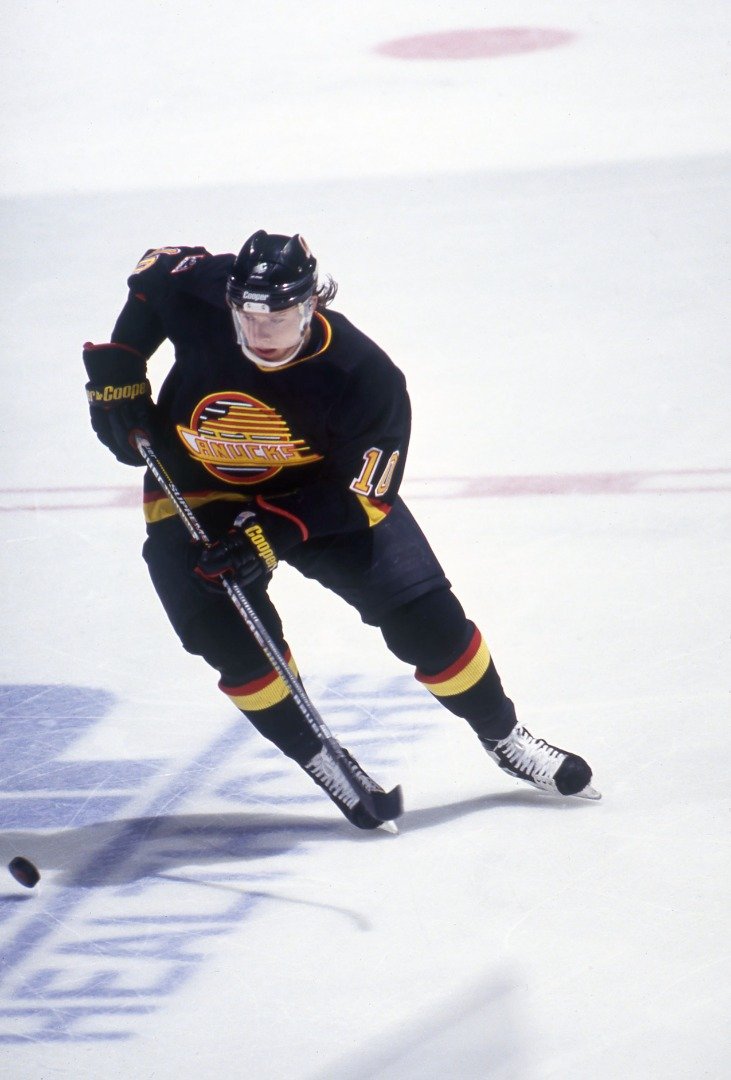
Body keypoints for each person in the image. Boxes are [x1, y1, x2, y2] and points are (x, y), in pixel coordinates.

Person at [83, 231, 600, 829]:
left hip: (321, 493)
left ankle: (505, 737)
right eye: (246, 318)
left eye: (278, 317)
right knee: (222, 633)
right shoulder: (203, 292)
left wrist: (270, 534)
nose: (260, 334)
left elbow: (366, 493)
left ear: (310, 305)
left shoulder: (363, 374)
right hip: (199, 485)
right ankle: (321, 758)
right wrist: (121, 367)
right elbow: (155, 276)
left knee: (425, 617)